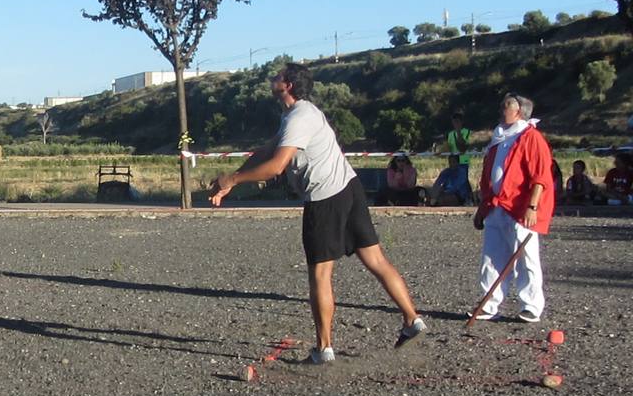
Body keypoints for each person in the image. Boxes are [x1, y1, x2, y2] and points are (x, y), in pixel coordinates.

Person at [209, 62, 426, 363]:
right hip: (349, 188)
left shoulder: (299, 117)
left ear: (288, 85)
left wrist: (232, 179)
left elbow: (275, 166)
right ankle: (412, 319)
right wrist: (233, 179)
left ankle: (324, 348)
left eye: (278, 76)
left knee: (321, 274)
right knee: (375, 258)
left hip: (326, 198)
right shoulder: (298, 114)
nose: (273, 78)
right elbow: (267, 150)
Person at [472, 94, 554, 322]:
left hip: (519, 208)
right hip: (496, 206)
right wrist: (482, 209)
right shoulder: (499, 138)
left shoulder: (530, 137)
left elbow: (540, 176)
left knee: (526, 258)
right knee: (492, 256)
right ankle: (489, 303)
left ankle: (531, 306)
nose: (501, 108)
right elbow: (489, 176)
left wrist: (532, 206)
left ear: (520, 111)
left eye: (507, 105)